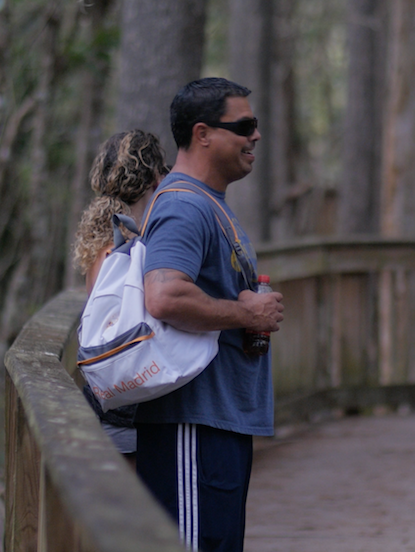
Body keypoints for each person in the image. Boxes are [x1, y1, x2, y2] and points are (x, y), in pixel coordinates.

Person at [134, 77, 284, 552]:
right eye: (243, 126)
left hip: (218, 422)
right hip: (191, 423)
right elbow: (164, 296)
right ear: (202, 134)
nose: (255, 136)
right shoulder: (183, 206)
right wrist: (245, 314)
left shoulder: (208, 203)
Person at [72, 129, 169, 462]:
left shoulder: (104, 237)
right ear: (156, 176)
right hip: (126, 413)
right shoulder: (128, 245)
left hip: (106, 402)